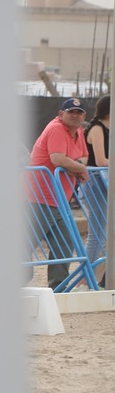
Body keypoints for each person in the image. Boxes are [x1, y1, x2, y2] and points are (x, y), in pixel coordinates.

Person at [27, 97, 89, 289]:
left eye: (78, 113)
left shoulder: (78, 130)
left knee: (64, 246)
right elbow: (57, 159)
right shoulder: (56, 128)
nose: (75, 116)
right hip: (37, 199)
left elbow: (84, 156)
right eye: (71, 112)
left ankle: (58, 291)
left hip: (58, 200)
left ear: (84, 116)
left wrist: (76, 166)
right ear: (61, 114)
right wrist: (79, 168)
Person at [83, 95, 109, 287]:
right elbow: (101, 161)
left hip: (106, 183)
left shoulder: (108, 128)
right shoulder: (98, 128)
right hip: (96, 182)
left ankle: (97, 279)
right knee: (97, 234)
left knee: (105, 235)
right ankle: (85, 279)